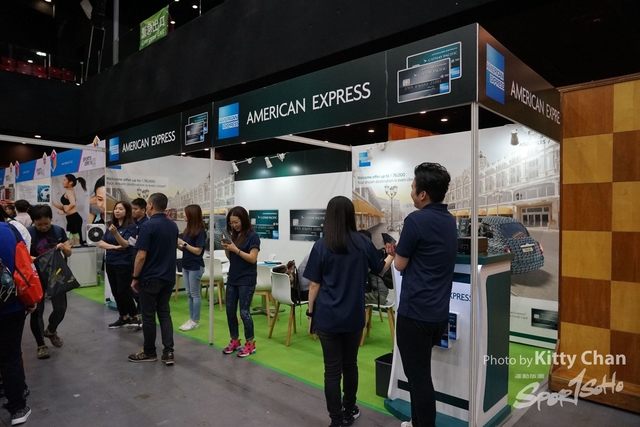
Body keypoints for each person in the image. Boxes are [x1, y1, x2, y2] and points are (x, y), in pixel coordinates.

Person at [304, 196, 395, 427]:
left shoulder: (321, 245)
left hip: (327, 317)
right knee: (350, 365)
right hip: (353, 317)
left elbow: (314, 285)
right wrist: (391, 255)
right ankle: (349, 409)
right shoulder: (362, 242)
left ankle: (336, 420)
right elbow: (380, 269)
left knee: (331, 370)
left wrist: (311, 314)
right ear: (350, 215)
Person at [388, 163, 458, 427]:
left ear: (423, 194)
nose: (411, 191)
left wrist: (397, 252)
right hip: (437, 313)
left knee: (418, 378)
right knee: (419, 374)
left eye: (413, 187)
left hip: (415, 313)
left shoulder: (415, 220)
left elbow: (399, 265)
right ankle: (416, 422)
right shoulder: (449, 220)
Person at [128, 193, 178, 365]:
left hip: (150, 278)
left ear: (150, 205)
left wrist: (135, 276)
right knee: (164, 313)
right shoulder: (173, 226)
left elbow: (141, 255)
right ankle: (169, 352)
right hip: (168, 277)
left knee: (148, 315)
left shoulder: (147, 226)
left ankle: (149, 351)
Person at [0, 221, 36, 426]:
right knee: (11, 356)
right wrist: (29, 300)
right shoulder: (10, 231)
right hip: (10, 305)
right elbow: (24, 268)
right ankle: (17, 408)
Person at [26, 205, 72, 360]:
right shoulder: (28, 233)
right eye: (39, 224)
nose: (43, 227)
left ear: (51, 219)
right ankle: (41, 345)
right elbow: (23, 256)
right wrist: (40, 258)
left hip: (56, 275)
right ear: (33, 222)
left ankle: (51, 330)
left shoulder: (58, 231)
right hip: (36, 277)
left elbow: (69, 252)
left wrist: (62, 248)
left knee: (61, 308)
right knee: (37, 312)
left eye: (46, 223)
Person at [221, 206, 260, 358]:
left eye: (236, 222)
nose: (234, 225)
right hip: (233, 278)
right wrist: (227, 248)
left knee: (244, 312)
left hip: (247, 279)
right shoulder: (235, 235)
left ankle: (250, 343)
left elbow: (252, 258)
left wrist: (235, 249)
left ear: (243, 220)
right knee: (230, 311)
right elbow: (231, 258)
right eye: (231, 223)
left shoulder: (253, 236)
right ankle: (234, 340)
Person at [98, 201, 140, 329]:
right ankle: (124, 317)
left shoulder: (131, 227)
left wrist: (116, 234)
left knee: (123, 291)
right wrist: (114, 247)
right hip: (110, 262)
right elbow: (101, 243)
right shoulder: (112, 226)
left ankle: (135, 317)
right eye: (116, 208)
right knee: (116, 292)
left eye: (120, 209)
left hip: (124, 263)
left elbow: (126, 244)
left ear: (126, 211)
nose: (117, 211)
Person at [177, 204, 207, 331]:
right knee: (189, 293)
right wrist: (177, 244)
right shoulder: (188, 230)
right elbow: (185, 249)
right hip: (186, 265)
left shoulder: (200, 231)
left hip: (195, 266)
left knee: (195, 294)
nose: (183, 215)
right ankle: (191, 318)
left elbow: (197, 251)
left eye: (185, 213)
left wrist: (183, 243)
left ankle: (195, 320)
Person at [50, 174, 87, 247]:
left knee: (75, 242)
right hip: (71, 219)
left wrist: (64, 212)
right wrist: (53, 203)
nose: (62, 182)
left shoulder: (69, 192)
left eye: (64, 180)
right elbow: (64, 207)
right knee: (72, 242)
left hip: (74, 218)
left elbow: (73, 204)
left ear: (70, 182)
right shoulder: (68, 191)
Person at [357, 230, 390, 306]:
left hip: (378, 297)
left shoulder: (367, 260)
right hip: (379, 293)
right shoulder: (374, 256)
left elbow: (380, 270)